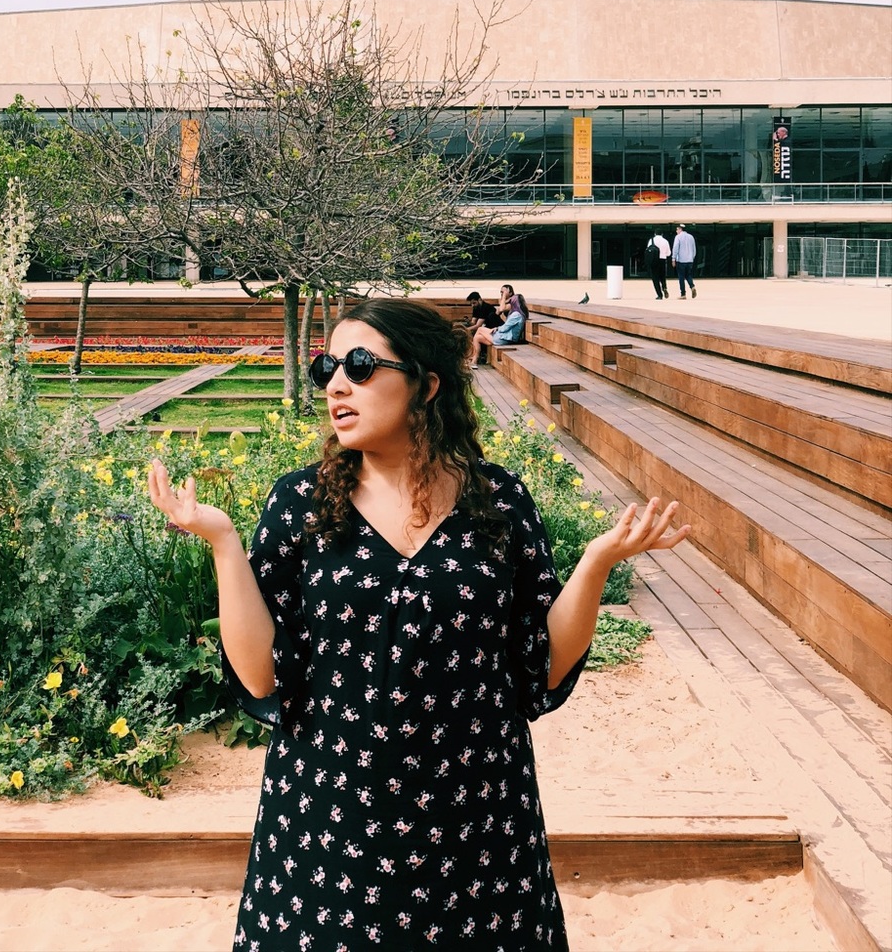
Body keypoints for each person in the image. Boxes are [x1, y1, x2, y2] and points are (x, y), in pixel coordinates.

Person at [147, 298, 689, 951]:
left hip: (477, 830)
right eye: (328, 368)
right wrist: (223, 543)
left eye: (361, 365)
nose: (337, 384)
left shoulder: (500, 500)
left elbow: (541, 665)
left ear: (427, 384)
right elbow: (260, 676)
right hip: (331, 828)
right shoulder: (300, 505)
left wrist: (598, 560)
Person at [471, 291, 528, 367]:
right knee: (477, 338)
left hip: (504, 339)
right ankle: (474, 361)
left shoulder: (516, 315)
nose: (510, 304)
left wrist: (496, 328)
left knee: (480, 329)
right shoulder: (518, 314)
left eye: (511, 302)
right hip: (503, 337)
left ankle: (474, 360)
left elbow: (504, 328)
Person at [671, 224, 698, 299]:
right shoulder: (691, 237)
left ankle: (683, 294)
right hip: (690, 260)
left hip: (681, 260)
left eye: (677, 229)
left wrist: (673, 259)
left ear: (680, 229)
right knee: (688, 275)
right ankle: (692, 286)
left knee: (681, 277)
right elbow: (694, 249)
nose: (676, 231)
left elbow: (675, 248)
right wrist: (692, 258)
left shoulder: (678, 237)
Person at [646, 229, 671, 299]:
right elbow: (669, 253)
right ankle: (664, 287)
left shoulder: (651, 240)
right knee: (662, 276)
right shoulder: (665, 241)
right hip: (662, 260)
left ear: (655, 234)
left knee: (655, 278)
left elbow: (648, 250)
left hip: (654, 260)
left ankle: (659, 295)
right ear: (662, 234)